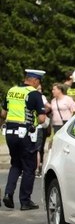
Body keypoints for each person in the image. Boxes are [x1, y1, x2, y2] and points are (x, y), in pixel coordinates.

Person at [1, 69, 47, 210]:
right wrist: (35, 123)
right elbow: (42, 118)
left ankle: (8, 194)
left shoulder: (11, 90)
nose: (38, 84)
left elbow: (3, 113)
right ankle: (25, 201)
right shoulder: (34, 94)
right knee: (29, 166)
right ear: (34, 80)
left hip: (9, 132)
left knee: (15, 164)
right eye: (38, 82)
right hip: (24, 133)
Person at [36, 84, 51, 177]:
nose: (40, 90)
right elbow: (49, 106)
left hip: (38, 126)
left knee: (37, 148)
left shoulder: (41, 97)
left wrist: (42, 112)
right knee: (37, 148)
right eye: (38, 89)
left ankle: (37, 169)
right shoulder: (40, 97)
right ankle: (37, 169)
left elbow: (49, 106)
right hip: (38, 126)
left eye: (41, 89)